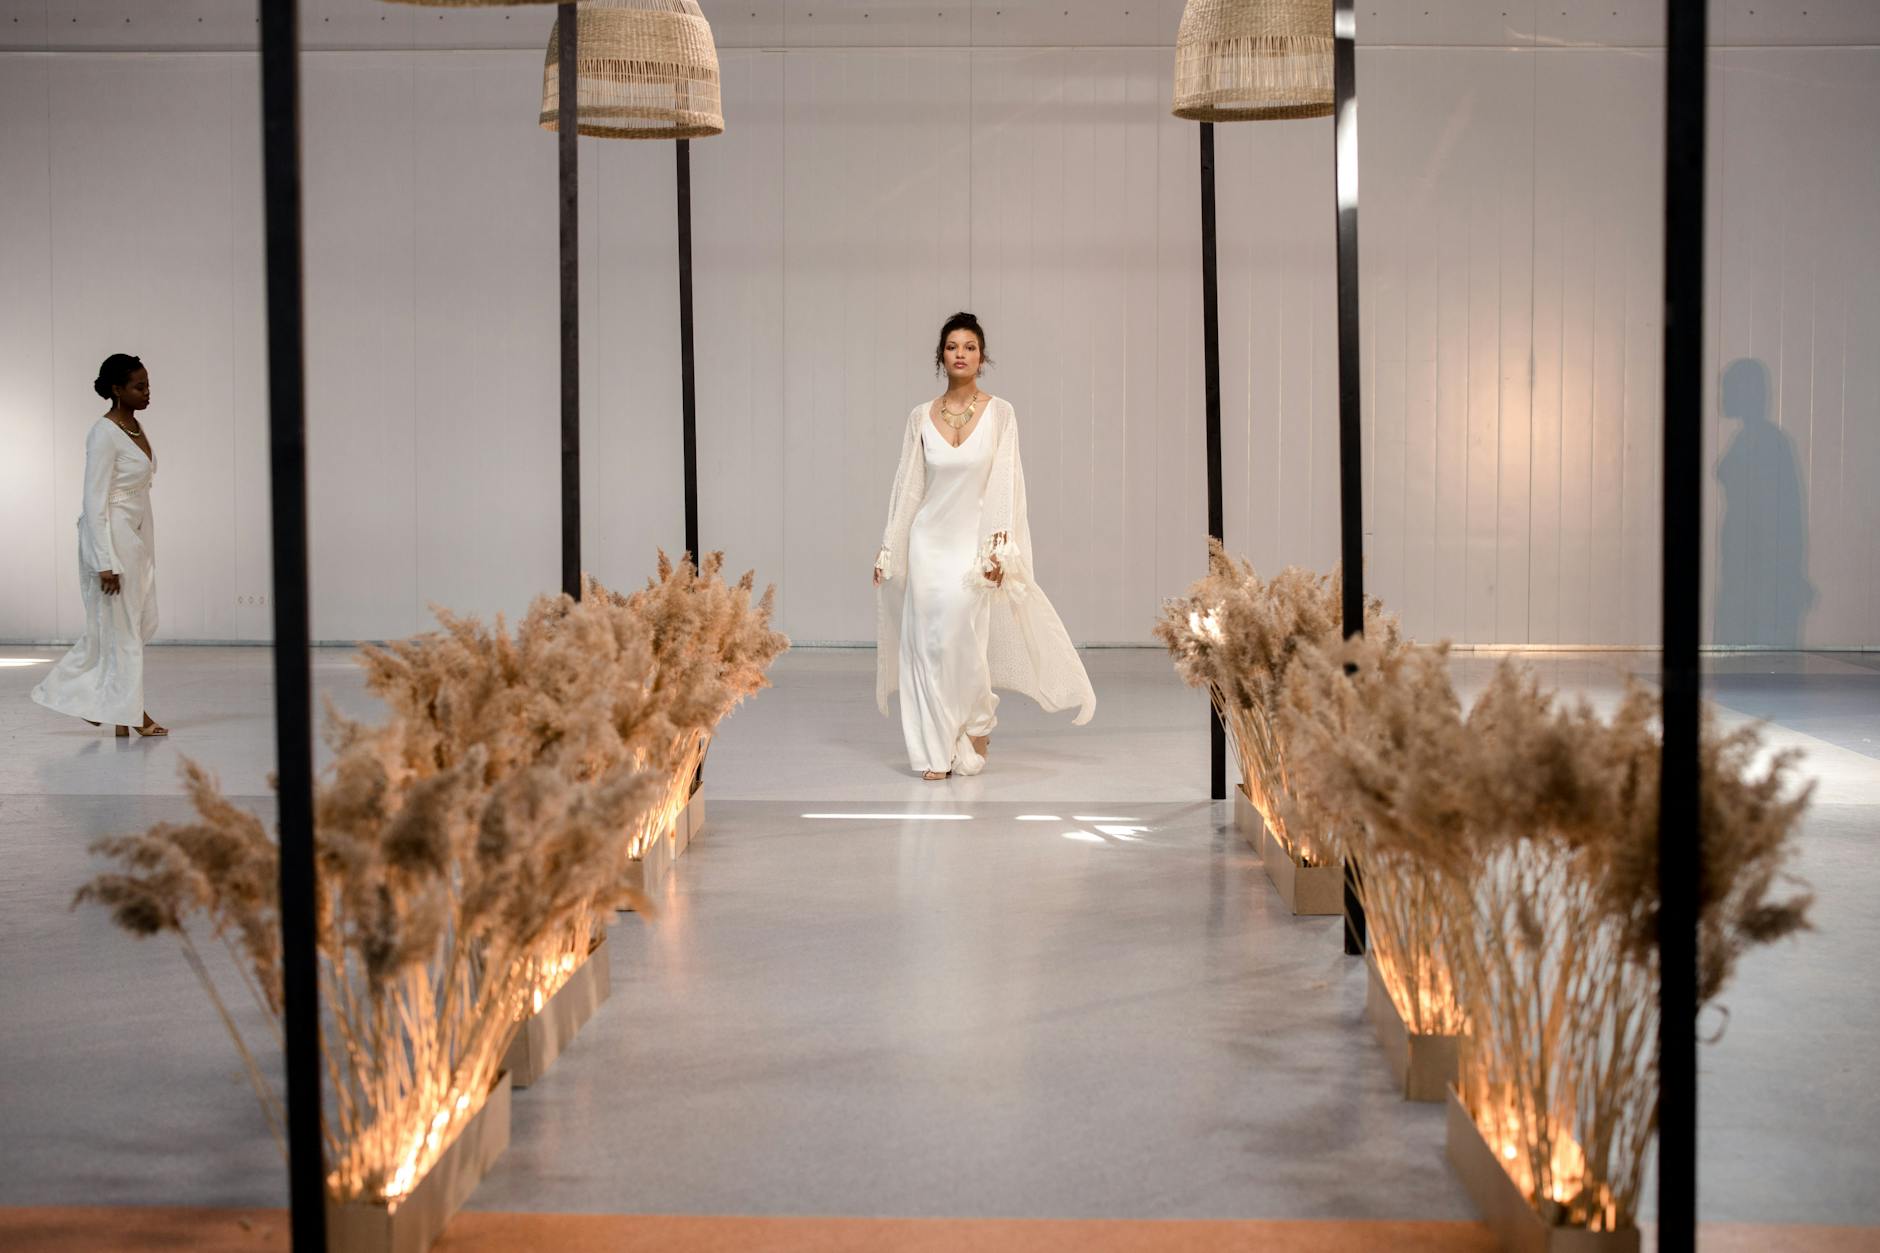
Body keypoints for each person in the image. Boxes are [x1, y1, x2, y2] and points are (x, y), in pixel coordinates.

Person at [873, 313, 1094, 779]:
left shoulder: (1001, 413)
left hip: (970, 549)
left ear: (982, 356)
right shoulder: (920, 415)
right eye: (952, 345)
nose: (960, 353)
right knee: (924, 644)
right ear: (941, 355)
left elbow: (1006, 488)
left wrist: (997, 552)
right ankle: (934, 752)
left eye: (970, 346)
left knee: (963, 640)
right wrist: (889, 550)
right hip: (927, 543)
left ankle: (976, 722)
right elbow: (909, 488)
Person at [32, 353, 167, 737]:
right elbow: (93, 501)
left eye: (148, 385)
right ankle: (131, 713)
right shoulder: (103, 433)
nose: (147, 393)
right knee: (121, 629)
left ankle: (95, 698)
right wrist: (103, 561)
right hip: (114, 538)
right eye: (138, 386)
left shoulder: (135, 427)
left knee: (138, 622)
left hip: (138, 533)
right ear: (116, 389)